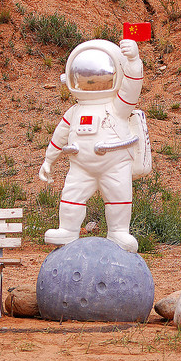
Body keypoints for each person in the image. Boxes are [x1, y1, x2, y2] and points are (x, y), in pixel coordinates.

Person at [37, 36, 147, 251]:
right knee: (71, 196)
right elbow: (60, 135)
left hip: (115, 164)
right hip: (81, 166)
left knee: (119, 198)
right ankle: (68, 229)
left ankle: (118, 232)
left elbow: (132, 89)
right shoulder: (75, 111)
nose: (91, 80)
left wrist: (134, 62)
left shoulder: (118, 106)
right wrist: (49, 160)